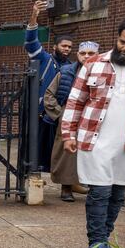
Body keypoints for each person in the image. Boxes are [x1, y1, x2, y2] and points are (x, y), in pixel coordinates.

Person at [62, 18, 125, 248]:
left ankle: (103, 238)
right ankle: (96, 243)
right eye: (122, 41)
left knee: (118, 194)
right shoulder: (94, 64)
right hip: (94, 140)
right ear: (116, 38)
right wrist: (68, 133)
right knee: (99, 192)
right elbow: (75, 100)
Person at [44, 41, 99, 202]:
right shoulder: (66, 71)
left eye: (91, 53)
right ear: (78, 54)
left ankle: (92, 187)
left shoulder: (104, 72)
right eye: (83, 53)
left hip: (94, 115)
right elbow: (49, 95)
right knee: (66, 152)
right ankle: (66, 187)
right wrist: (61, 114)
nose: (87, 56)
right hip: (70, 114)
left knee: (93, 151)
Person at [25, 0, 74, 173]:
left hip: (60, 115)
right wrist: (34, 15)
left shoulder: (71, 67)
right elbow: (31, 42)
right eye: (63, 46)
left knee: (58, 151)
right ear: (55, 47)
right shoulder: (45, 59)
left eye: (69, 46)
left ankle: (64, 182)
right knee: (35, 152)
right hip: (40, 113)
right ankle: (31, 178)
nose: (67, 49)